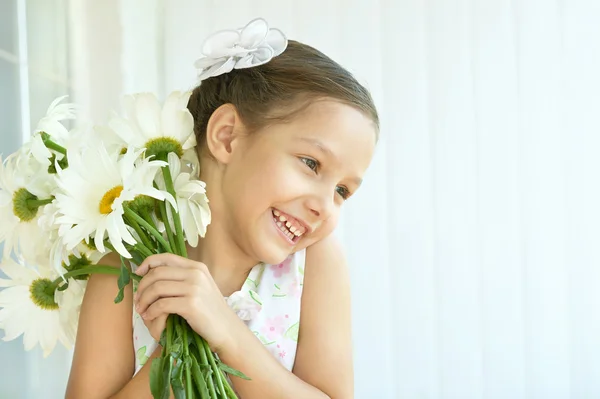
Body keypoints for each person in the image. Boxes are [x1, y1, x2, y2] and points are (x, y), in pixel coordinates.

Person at [65, 18, 378, 399]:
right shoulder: (124, 268)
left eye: (342, 191)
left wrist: (225, 330)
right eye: (311, 163)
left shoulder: (314, 266)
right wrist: (176, 350)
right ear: (227, 137)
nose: (324, 207)